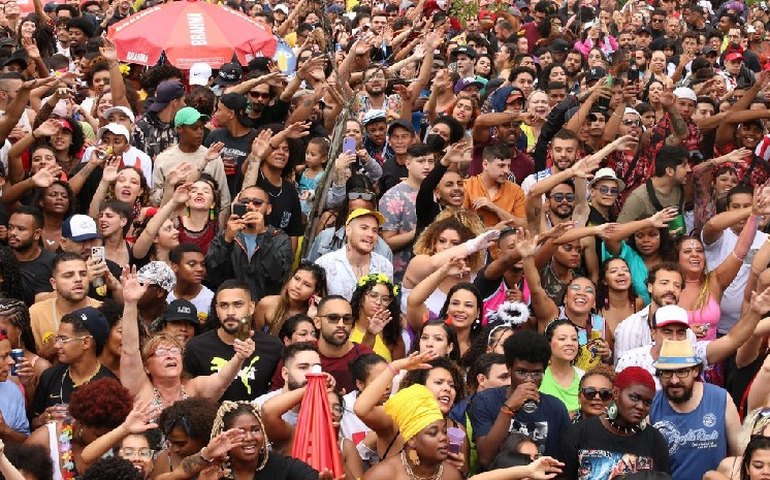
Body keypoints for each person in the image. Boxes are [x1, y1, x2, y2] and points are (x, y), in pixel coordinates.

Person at [469, 330, 570, 466]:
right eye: (521, 372)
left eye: (536, 373)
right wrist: (509, 407)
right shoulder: (485, 400)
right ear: (509, 370)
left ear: (544, 372)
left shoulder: (556, 408)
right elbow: (485, 459)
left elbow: (562, 465)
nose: (529, 380)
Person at [557, 367, 671, 479]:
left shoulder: (655, 441)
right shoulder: (578, 433)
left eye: (647, 402)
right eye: (634, 398)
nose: (640, 406)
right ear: (616, 393)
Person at [650, 339, 741, 479]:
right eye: (667, 372)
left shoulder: (720, 399)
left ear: (695, 370)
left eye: (681, 372)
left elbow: (739, 457)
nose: (674, 380)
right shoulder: (652, 405)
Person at [163, 401, 322, 480]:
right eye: (240, 432)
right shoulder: (212, 471)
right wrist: (207, 454)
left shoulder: (283, 467)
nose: (249, 438)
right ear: (223, 435)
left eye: (255, 430)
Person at [182, 279, 282, 402]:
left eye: (238, 304)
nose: (230, 312)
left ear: (251, 307)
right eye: (224, 305)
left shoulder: (273, 347)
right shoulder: (195, 348)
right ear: (216, 310)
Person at [26, 378, 132, 480]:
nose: (105, 441)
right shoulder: (43, 441)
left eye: (110, 435)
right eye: (99, 435)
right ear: (81, 422)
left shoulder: (119, 442)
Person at [30, 306, 116, 429]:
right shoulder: (49, 376)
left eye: (64, 339)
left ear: (86, 342)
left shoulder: (109, 385)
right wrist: (42, 419)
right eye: (57, 338)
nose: (56, 345)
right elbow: (32, 424)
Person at [205, 185, 293, 302]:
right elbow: (213, 275)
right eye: (244, 202)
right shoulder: (226, 235)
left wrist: (262, 235)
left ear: (268, 209)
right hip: (232, 305)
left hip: (265, 308)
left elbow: (277, 276)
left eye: (257, 203)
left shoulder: (279, 238)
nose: (250, 207)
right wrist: (226, 241)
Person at [363, 384, 463, 480]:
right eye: (433, 433)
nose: (444, 438)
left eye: (444, 431)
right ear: (412, 440)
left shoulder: (451, 475)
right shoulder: (382, 475)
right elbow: (361, 409)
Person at [315, 208, 393, 301]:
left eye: (374, 230)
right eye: (364, 228)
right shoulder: (325, 264)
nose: (370, 234)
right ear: (348, 230)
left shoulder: (384, 265)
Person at [254, 261, 326, 336]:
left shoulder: (316, 315)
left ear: (316, 292)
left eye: (307, 285)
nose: (298, 286)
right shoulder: (267, 303)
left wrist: (311, 318)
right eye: (296, 279)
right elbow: (254, 336)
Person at [349, 273, 404, 362]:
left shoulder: (392, 335)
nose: (378, 302)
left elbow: (399, 371)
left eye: (385, 299)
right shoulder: (346, 327)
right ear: (361, 298)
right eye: (373, 296)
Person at [7, 207, 56, 306]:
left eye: (20, 229)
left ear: (37, 234)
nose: (12, 233)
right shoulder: (2, 260)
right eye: (10, 227)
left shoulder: (54, 262)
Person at [540, 319, 584, 415]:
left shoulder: (583, 377)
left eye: (574, 339)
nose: (570, 343)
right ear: (548, 343)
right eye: (562, 339)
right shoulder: (537, 376)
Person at [167, 243, 213, 324]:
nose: (200, 269)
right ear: (174, 267)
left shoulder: (211, 300)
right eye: (192, 264)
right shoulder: (164, 295)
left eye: (202, 264)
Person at [0, 327, 27, 442]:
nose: (11, 361)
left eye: (10, 355)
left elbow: (26, 441)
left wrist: (5, 430)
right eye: (4, 356)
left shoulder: (12, 391)